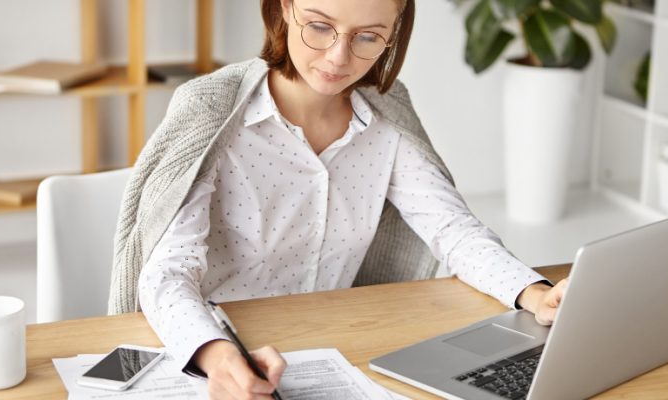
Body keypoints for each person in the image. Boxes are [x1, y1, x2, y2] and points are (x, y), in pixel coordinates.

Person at [109, 0, 568, 398]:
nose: (339, 56)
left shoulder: (388, 117)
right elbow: (167, 273)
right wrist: (216, 356)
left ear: (394, 32)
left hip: (337, 350)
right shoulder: (214, 114)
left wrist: (533, 292)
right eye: (320, 26)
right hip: (219, 357)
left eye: (368, 36)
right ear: (285, 8)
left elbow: (453, 230)